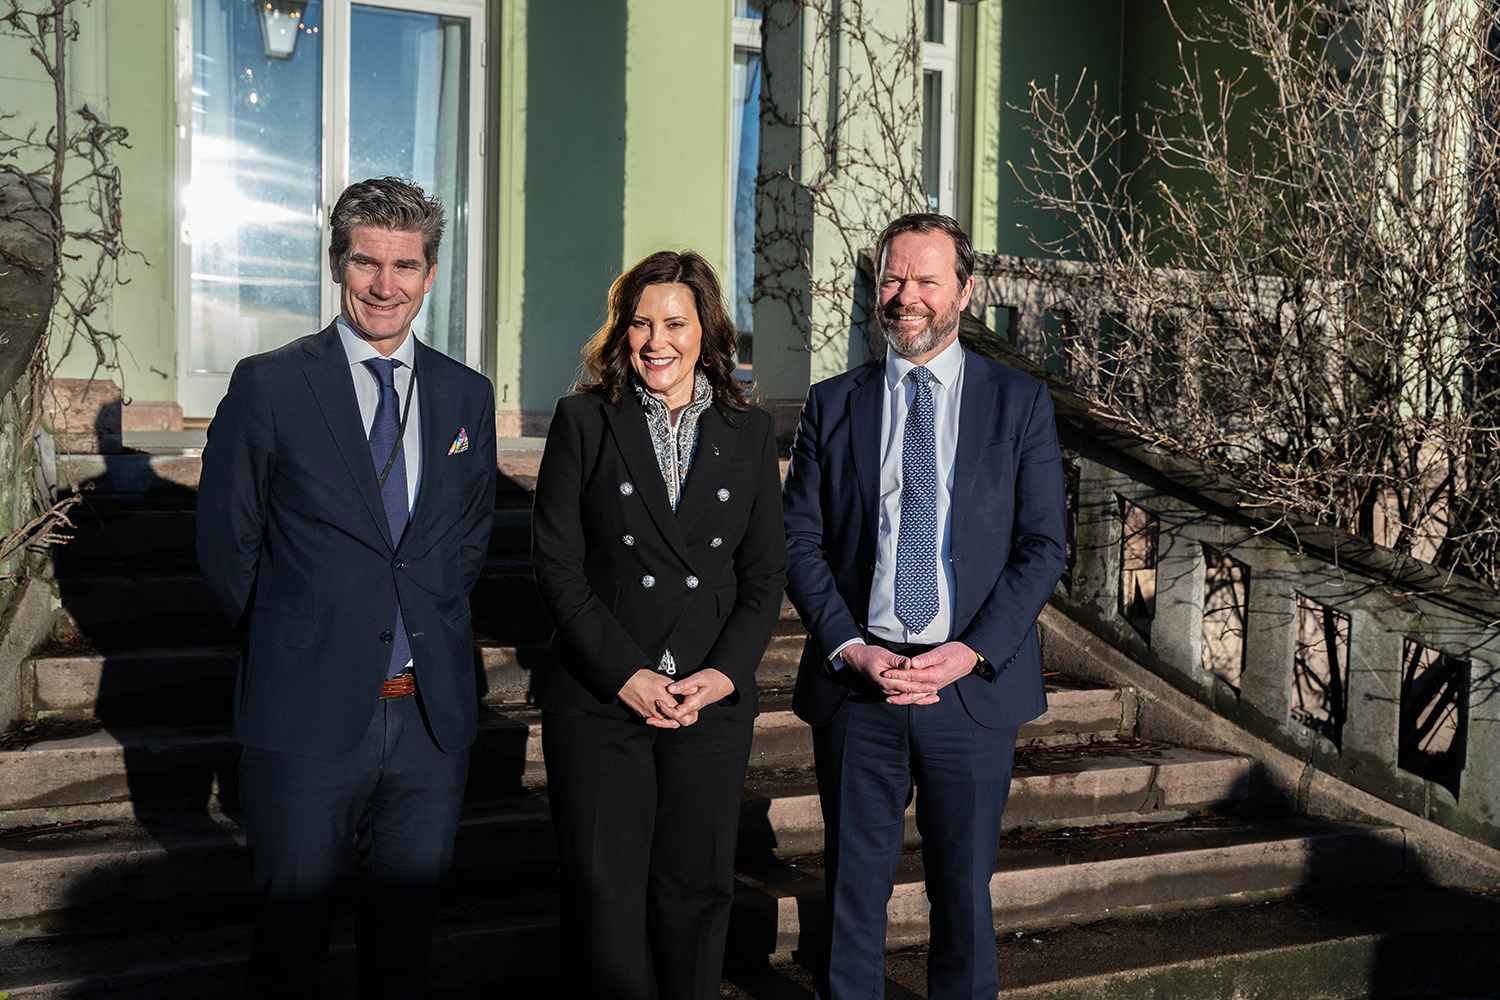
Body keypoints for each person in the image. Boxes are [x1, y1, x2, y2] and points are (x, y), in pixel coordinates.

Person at [196, 176, 497, 998]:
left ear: (431, 273)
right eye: (367, 262)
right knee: (289, 952)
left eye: (405, 265)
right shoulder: (272, 384)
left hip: (430, 720)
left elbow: (466, 538)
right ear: (337, 264)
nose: (385, 285)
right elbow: (228, 543)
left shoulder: (466, 394)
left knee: (404, 953)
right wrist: (292, 639)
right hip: (305, 713)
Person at [781, 213, 1066, 999]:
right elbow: (799, 540)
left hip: (968, 691)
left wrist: (971, 651)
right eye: (893, 278)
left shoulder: (1020, 402)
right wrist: (850, 646)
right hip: (859, 686)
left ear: (965, 292)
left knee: (964, 898)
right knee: (852, 897)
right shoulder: (832, 403)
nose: (906, 295)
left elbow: (1043, 546)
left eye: (926, 279)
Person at [531, 249, 787, 1000]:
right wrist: (629, 675)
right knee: (605, 901)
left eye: (674, 323)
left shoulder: (746, 431)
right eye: (639, 323)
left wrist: (722, 674)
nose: (655, 341)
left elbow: (764, 574)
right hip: (602, 697)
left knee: (696, 894)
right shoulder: (585, 420)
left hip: (707, 699)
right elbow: (556, 566)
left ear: (706, 331)